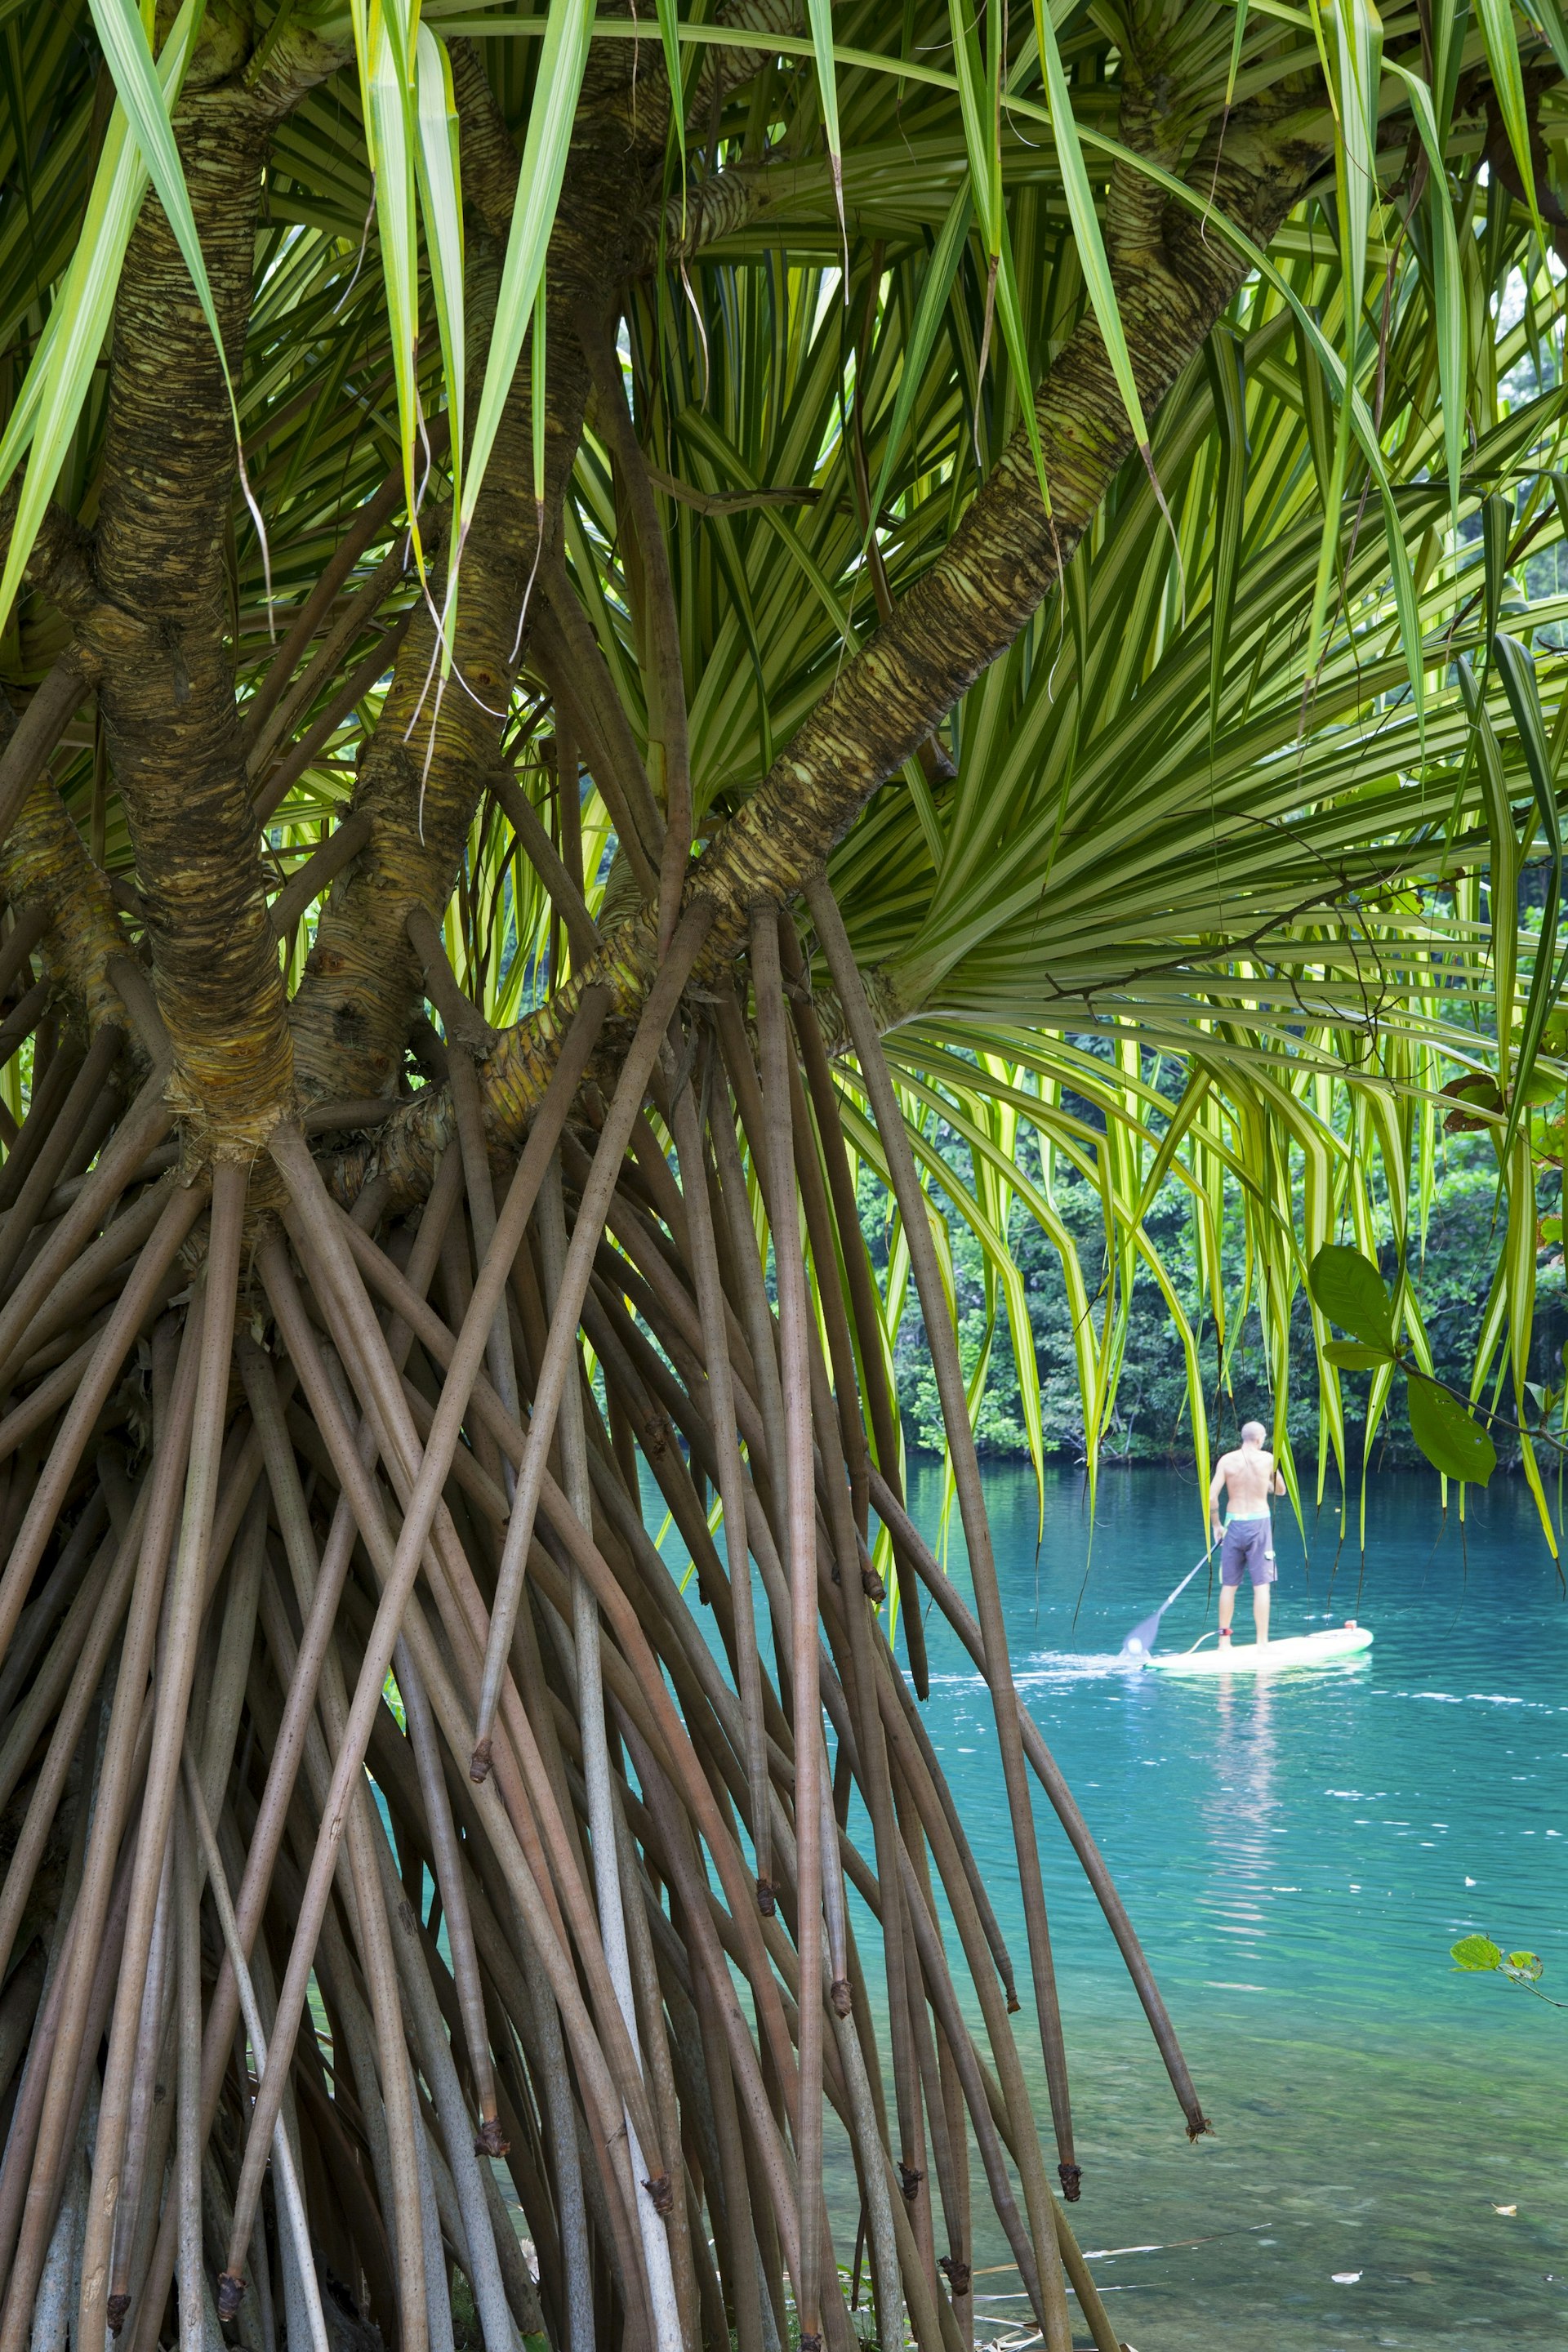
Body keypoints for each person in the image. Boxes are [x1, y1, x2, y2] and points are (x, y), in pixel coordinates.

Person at [1209, 1421, 1285, 1646]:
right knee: (1261, 1586)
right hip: (1259, 1524)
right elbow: (1281, 1491)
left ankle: (1224, 1644)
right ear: (1260, 1439)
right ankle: (1262, 1643)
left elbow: (1212, 1497)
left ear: (1243, 1438)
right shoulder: (1268, 1459)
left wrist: (1217, 1526)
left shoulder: (1226, 1460)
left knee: (1229, 1586)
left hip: (1233, 1525)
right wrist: (1264, 1484)